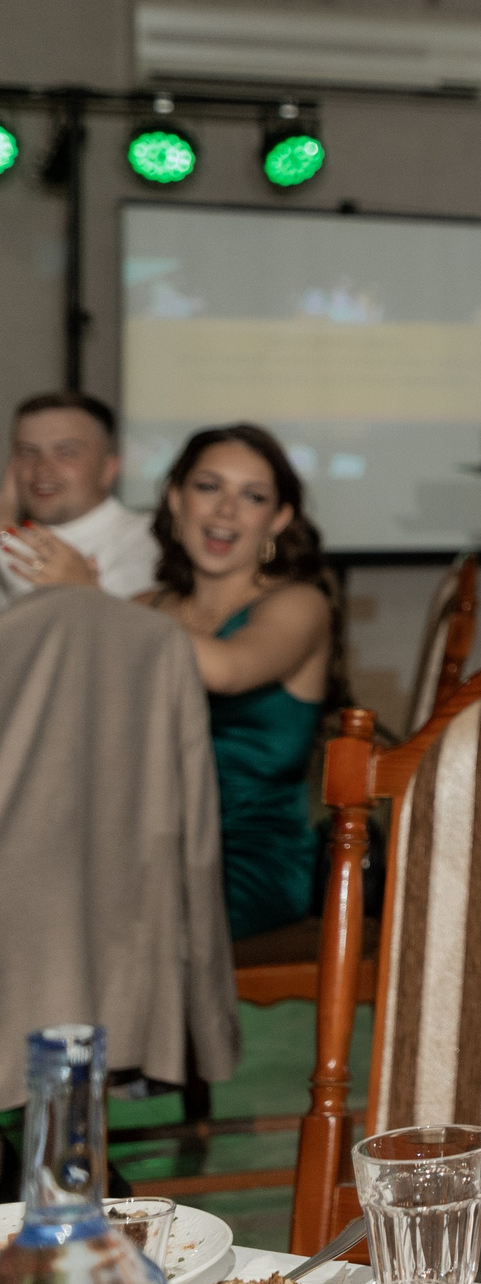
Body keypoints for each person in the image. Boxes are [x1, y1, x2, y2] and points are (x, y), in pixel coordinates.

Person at [138, 424, 345, 942]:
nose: (226, 511)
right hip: (142, 844)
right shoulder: (145, 609)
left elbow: (227, 670)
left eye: (252, 497)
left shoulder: (299, 605)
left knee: (118, 919)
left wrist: (91, 600)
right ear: (175, 500)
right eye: (208, 487)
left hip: (249, 860)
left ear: (278, 520)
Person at [0, 392, 159, 604]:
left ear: (109, 469)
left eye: (66, 452)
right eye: (28, 452)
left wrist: (4, 529)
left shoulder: (148, 540)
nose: (42, 469)